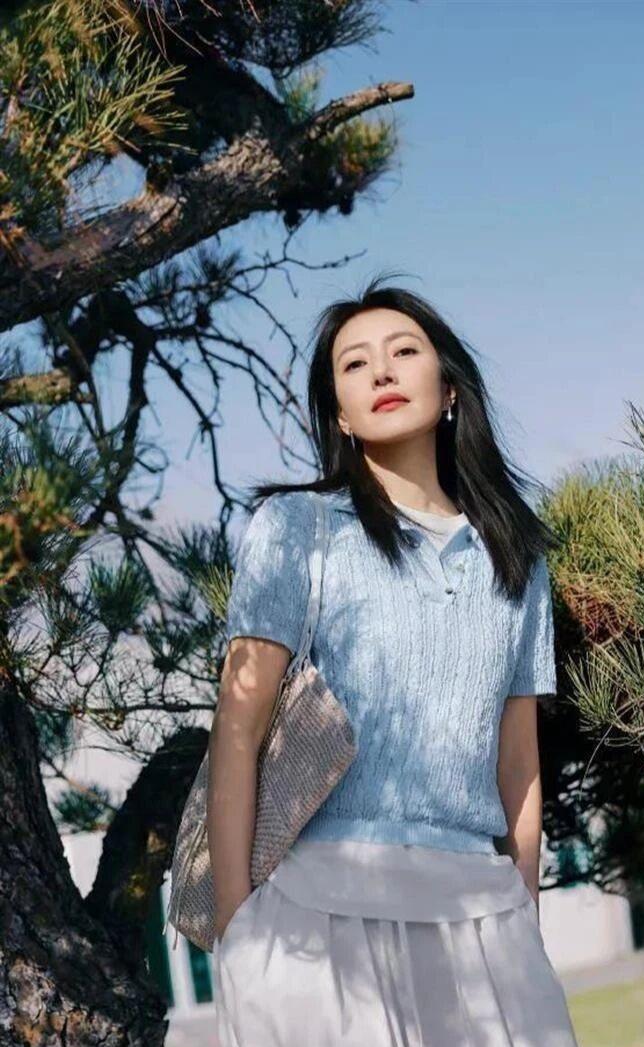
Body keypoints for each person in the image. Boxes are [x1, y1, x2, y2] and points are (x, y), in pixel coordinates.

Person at [206, 275, 580, 1046]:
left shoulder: (517, 555)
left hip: (483, 918)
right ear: (340, 415)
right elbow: (236, 731)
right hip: (321, 918)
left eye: (404, 351)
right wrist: (237, 930)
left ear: (449, 389)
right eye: (354, 363)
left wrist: (525, 915)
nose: (381, 370)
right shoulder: (298, 527)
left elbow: (518, 761)